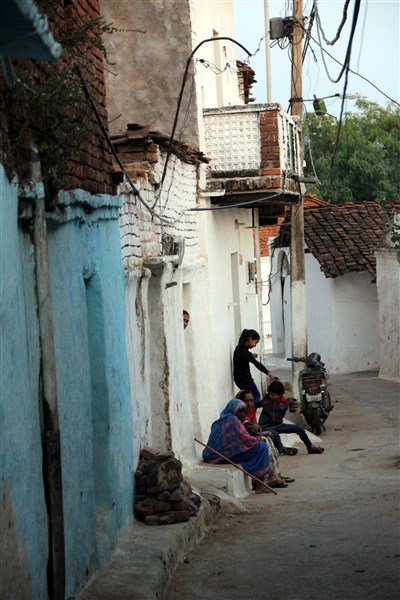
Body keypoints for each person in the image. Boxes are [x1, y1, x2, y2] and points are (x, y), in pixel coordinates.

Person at [202, 399, 287, 491]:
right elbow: (246, 439)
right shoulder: (233, 420)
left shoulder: (220, 421)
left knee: (257, 447)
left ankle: (263, 479)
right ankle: (259, 484)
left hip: (212, 455)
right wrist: (258, 439)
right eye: (240, 411)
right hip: (222, 456)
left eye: (244, 411)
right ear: (233, 410)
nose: (242, 414)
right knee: (262, 447)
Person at [236, 390, 294, 484]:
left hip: (248, 439)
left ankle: (275, 474)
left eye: (251, 401)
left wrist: (257, 431)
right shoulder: (238, 413)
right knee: (264, 444)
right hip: (239, 445)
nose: (249, 404)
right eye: (246, 401)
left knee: (268, 441)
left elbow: (254, 427)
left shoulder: (250, 410)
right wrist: (259, 433)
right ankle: (268, 476)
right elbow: (245, 431)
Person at [259, 380, 325, 455]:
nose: (270, 396)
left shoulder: (284, 404)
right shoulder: (266, 400)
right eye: (269, 394)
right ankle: (283, 450)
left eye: (273, 395)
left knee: (300, 428)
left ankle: (310, 447)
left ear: (280, 395)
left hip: (278, 425)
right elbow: (255, 405)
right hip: (266, 426)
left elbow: (279, 412)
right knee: (275, 435)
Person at [233, 329, 276, 407]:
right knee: (255, 396)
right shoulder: (246, 353)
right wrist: (268, 372)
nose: (255, 345)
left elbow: (242, 357)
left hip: (238, 379)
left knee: (248, 397)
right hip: (245, 380)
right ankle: (250, 411)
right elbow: (257, 364)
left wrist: (251, 355)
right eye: (255, 342)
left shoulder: (239, 348)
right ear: (250, 339)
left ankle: (248, 410)